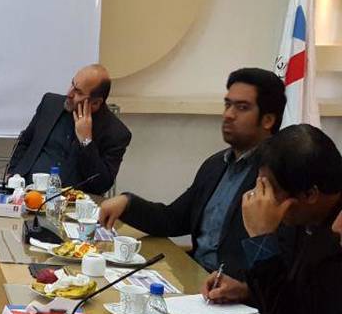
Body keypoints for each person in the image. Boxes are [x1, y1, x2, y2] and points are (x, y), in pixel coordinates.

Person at [99, 69, 285, 300]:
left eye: (242, 107)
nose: (228, 114)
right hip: (194, 282)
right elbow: (173, 219)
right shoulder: (216, 164)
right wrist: (127, 203)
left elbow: (283, 268)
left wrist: (246, 291)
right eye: (228, 105)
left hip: (236, 299)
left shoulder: (278, 178)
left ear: (268, 120)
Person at [232, 125, 342, 314]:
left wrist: (261, 241)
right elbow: (291, 301)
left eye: (271, 192)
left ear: (310, 194)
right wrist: (247, 289)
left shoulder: (333, 242)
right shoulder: (302, 218)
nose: (261, 201)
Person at [8, 64, 131, 196]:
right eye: (72, 84)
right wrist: (13, 174)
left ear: (96, 103)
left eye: (78, 92)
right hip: (26, 192)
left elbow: (102, 185)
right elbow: (25, 142)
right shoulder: (50, 104)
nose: (69, 93)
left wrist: (86, 141)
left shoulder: (116, 133)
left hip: (73, 201)